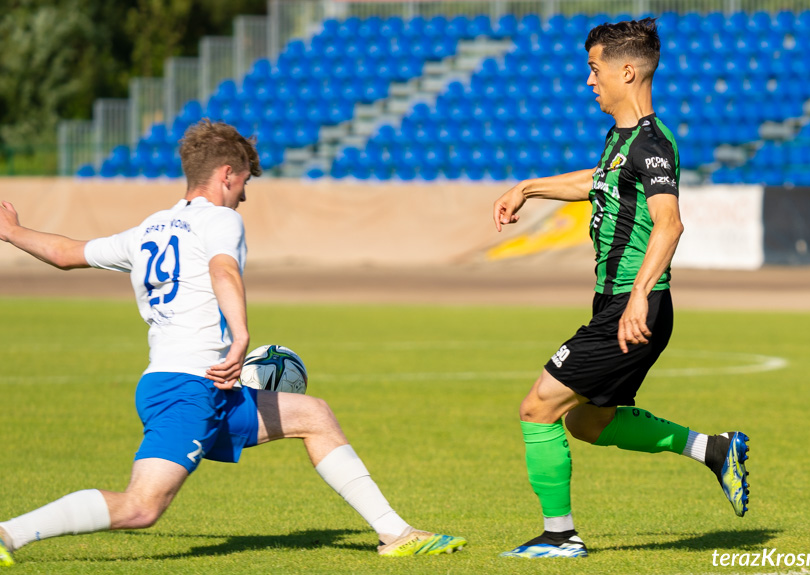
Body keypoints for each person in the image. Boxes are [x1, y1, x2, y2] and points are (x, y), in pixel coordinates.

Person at [0, 120, 465, 568]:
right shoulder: (219, 220)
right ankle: (7, 534)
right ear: (226, 175)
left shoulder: (148, 230)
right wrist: (241, 335)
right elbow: (224, 269)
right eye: (244, 181)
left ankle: (396, 533)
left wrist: (13, 231)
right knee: (140, 507)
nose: (244, 193)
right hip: (188, 388)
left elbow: (65, 254)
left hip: (196, 385)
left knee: (315, 416)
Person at [491, 18, 749, 559]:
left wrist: (637, 296)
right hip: (623, 304)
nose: (589, 81)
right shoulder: (623, 139)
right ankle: (714, 449)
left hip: (635, 306)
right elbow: (596, 180)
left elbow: (670, 222)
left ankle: (560, 536)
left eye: (594, 68)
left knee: (538, 407)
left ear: (626, 70)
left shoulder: (651, 143)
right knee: (588, 422)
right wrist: (528, 188)